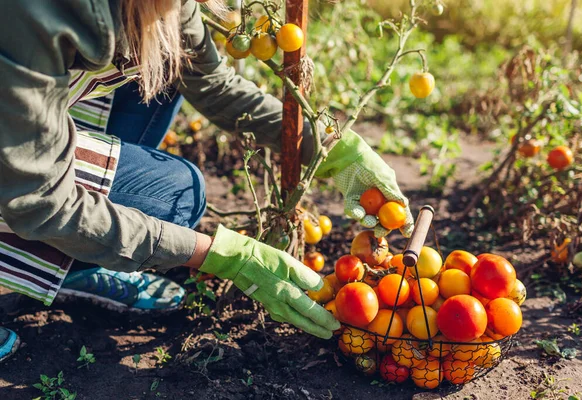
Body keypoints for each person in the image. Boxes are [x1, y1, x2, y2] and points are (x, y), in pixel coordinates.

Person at [0, 0, 414, 363]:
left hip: (17, 126)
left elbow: (213, 83)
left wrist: (328, 147)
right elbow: (42, 201)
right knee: (176, 198)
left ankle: (74, 260)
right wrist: (220, 255)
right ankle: (71, 249)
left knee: (161, 53)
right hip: (20, 170)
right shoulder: (35, 12)